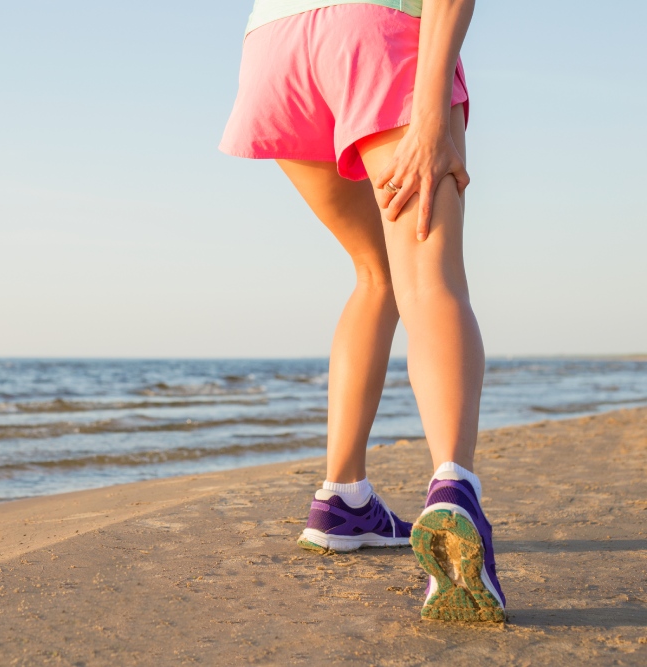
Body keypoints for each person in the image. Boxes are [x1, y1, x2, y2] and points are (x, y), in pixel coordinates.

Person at [220, 0, 505, 622]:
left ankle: (343, 499)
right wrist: (430, 110)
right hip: (375, 31)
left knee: (376, 271)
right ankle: (456, 491)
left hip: (276, 42)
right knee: (429, 272)